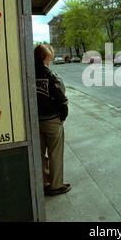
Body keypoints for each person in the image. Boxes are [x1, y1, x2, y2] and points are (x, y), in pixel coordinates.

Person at [34, 43, 71, 196]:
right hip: (52, 120)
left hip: (35, 121)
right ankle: (56, 185)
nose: (51, 58)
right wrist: (63, 117)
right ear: (45, 57)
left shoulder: (27, 74)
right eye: (50, 56)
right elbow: (62, 100)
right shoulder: (50, 75)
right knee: (55, 152)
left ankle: (43, 182)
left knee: (40, 153)